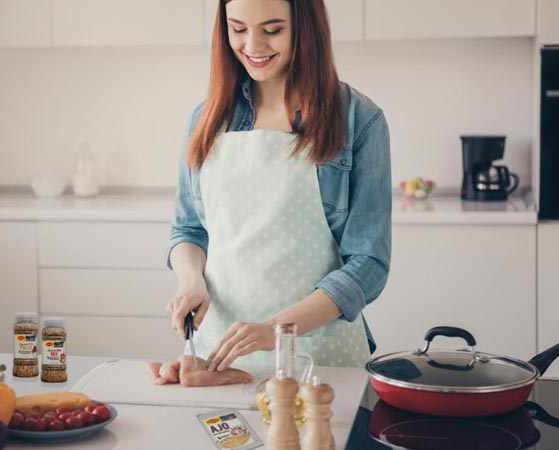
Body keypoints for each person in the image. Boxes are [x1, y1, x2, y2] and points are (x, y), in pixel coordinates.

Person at [165, 0, 391, 372]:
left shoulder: (358, 120)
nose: (253, 46)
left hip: (318, 356)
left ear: (306, 28)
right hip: (220, 353)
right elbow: (189, 229)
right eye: (238, 29)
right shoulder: (206, 118)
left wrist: (277, 329)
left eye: (272, 30)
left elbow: (369, 263)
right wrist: (190, 281)